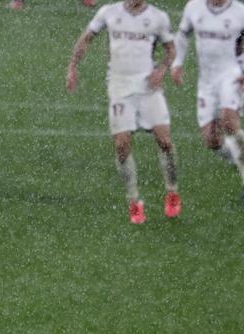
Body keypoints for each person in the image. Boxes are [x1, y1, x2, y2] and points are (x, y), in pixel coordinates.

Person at [67, 0, 179, 224]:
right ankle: (134, 201)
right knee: (121, 145)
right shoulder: (109, 12)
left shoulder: (158, 17)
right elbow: (87, 38)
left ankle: (172, 192)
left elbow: (172, 49)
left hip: (149, 87)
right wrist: (72, 66)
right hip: (119, 87)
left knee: (165, 141)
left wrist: (163, 69)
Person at [172, 0, 244, 202]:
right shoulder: (194, 7)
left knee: (229, 122)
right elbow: (182, 36)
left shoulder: (241, 12)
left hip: (232, 74)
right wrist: (177, 62)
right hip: (206, 80)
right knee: (212, 140)